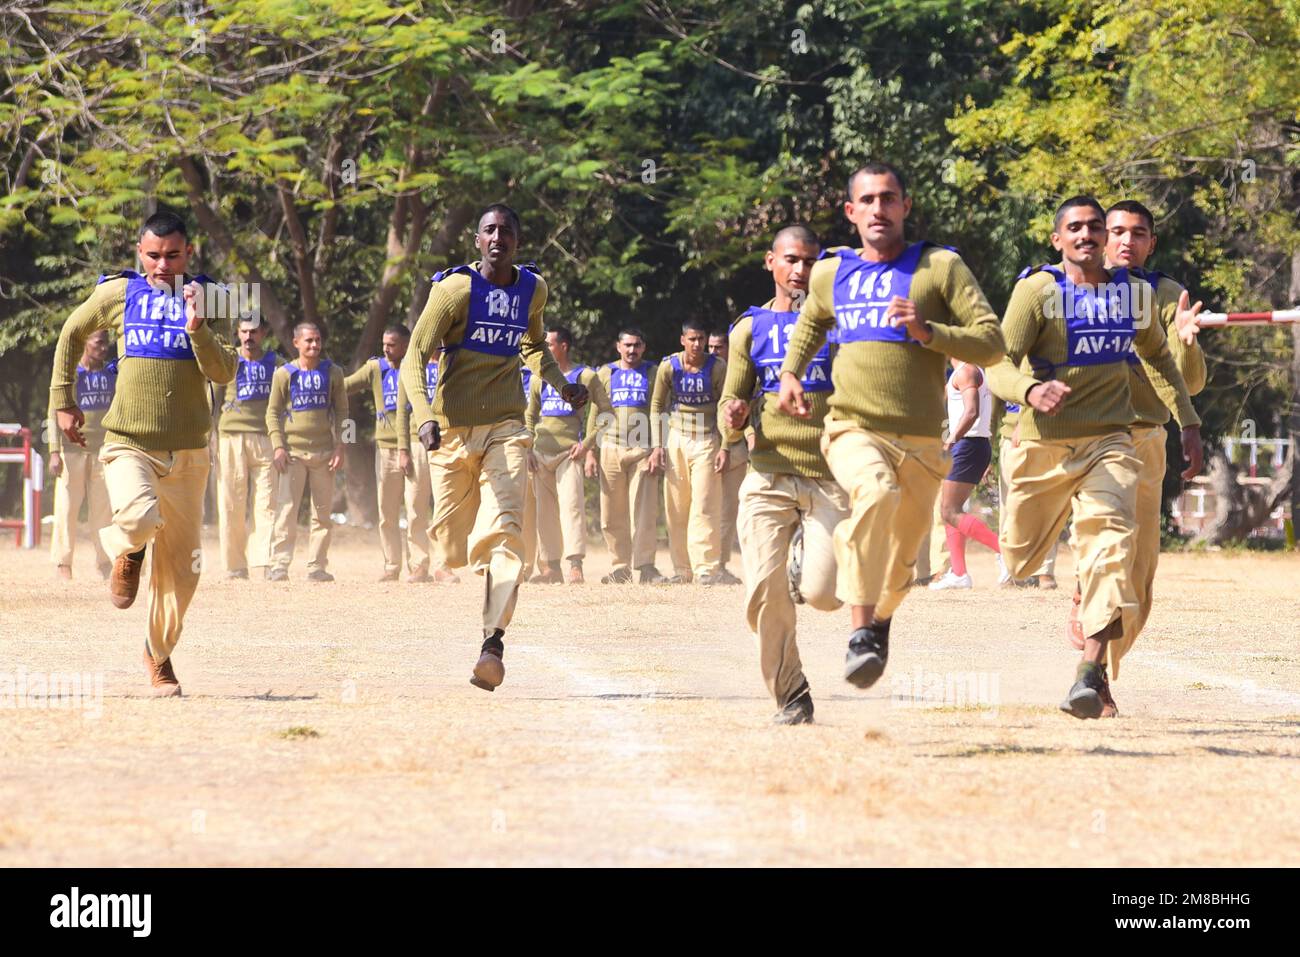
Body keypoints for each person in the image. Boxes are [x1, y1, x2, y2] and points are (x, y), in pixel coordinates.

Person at [778, 161, 1005, 691]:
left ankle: (880, 625)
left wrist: (929, 332)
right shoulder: (831, 272)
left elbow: (991, 342)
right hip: (853, 427)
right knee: (874, 494)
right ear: (851, 212)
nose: (878, 209)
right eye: (868, 200)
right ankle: (859, 634)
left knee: (905, 563)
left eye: (889, 198)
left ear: (905, 206)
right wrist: (791, 371)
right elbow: (811, 320)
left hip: (924, 441)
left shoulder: (939, 267)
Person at [987, 195, 1202, 719]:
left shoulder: (1149, 295)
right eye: (1080, 228)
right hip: (1043, 442)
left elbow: (1167, 364)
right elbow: (997, 361)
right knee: (1019, 556)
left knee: (1117, 552)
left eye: (1101, 229)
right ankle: (1080, 592)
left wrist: (1189, 423)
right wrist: (1023, 398)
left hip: (1120, 440)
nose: (1102, 238)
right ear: (1059, 238)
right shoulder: (1037, 290)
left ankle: (1091, 673)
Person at [49, 210, 237, 695]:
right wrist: (63, 401)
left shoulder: (213, 297)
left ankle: (158, 655)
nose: (162, 265)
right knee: (136, 514)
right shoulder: (119, 293)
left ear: (188, 253)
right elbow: (71, 333)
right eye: (153, 255)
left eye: (172, 255)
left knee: (184, 571)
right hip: (129, 442)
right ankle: (128, 551)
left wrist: (198, 328)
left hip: (190, 452)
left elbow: (223, 372)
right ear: (140, 253)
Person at [402, 203, 588, 692]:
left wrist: (561, 385)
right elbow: (413, 358)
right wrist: (424, 418)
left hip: (506, 428)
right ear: (478, 241)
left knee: (506, 535)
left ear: (518, 241)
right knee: (452, 545)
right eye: (489, 230)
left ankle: (492, 643)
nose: (498, 236)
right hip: (451, 433)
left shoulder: (533, 288)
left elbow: (532, 346)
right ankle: (472, 565)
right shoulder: (454, 290)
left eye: (507, 229)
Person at [721, 225, 848, 724]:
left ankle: (804, 566)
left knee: (824, 595)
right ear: (770, 262)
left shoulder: (840, 325)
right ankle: (791, 692)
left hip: (829, 476)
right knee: (764, 591)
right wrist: (731, 417)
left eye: (811, 261)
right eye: (791, 260)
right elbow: (732, 397)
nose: (801, 270)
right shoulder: (748, 329)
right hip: (769, 474)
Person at [1087, 199, 1206, 703]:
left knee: (1138, 577)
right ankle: (1092, 668)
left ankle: (1101, 666)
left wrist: (1184, 342)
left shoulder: (1166, 295)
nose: (1125, 241)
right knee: (1104, 557)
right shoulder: (1072, 288)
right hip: (1088, 439)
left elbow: (1192, 383)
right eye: (1116, 231)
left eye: (1137, 233)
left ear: (1151, 243)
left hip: (1145, 440)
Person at [524, 326, 611, 584]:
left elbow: (607, 414)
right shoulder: (538, 377)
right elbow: (530, 415)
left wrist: (586, 444)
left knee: (572, 508)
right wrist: (528, 447)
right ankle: (550, 567)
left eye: (549, 344)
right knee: (544, 513)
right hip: (540, 454)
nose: (545, 349)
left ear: (563, 347)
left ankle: (575, 565)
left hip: (569, 454)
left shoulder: (585, 376)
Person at [648, 319, 728, 585]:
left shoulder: (716, 367)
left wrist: (725, 444)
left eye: (701, 339)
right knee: (676, 506)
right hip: (677, 439)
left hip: (706, 440)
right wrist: (657, 444)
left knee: (704, 505)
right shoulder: (669, 366)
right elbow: (658, 403)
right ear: (682, 340)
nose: (697, 344)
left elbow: (724, 404)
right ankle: (682, 570)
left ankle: (706, 568)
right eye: (692, 339)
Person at [266, 322, 347, 582]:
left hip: (324, 454)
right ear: (296, 343)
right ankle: (279, 564)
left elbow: (344, 412)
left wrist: (341, 446)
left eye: (317, 340)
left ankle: (317, 567)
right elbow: (272, 412)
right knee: (287, 511)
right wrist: (278, 446)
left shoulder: (333, 373)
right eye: (309, 341)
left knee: (322, 514)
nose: (314, 345)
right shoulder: (284, 374)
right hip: (292, 454)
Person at [589, 328, 667, 584]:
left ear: (643, 347)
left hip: (642, 449)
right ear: (618, 347)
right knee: (612, 512)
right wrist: (590, 450)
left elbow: (660, 409)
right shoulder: (606, 373)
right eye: (627, 345)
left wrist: (659, 447)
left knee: (644, 511)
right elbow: (594, 412)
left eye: (637, 345)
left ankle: (646, 567)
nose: (632, 350)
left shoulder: (653, 372)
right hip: (610, 447)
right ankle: (620, 567)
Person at [345, 325, 412, 581]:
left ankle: (419, 565)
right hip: (385, 447)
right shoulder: (376, 368)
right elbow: (348, 385)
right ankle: (392, 565)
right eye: (384, 343)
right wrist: (326, 379)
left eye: (392, 344)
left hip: (415, 445)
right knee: (387, 511)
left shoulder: (414, 367)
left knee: (416, 511)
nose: (386, 348)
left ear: (405, 346)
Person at [48, 329, 116, 580]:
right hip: (72, 451)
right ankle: (63, 563)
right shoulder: (69, 376)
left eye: (106, 343)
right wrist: (54, 452)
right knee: (67, 509)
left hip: (103, 450)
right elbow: (53, 413)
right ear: (85, 343)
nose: (104, 348)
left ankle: (104, 562)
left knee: (103, 511)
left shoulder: (111, 373)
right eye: (99, 343)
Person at [216, 316, 279, 580]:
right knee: (231, 502)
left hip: (266, 438)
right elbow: (212, 398)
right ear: (237, 333)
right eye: (244, 332)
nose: (249, 337)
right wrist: (208, 436)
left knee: (266, 503)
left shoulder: (277, 364)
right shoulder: (228, 361)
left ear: (263, 332)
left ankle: (263, 564)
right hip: (230, 436)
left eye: (254, 331)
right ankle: (235, 566)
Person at [928, 358, 999, 589]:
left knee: (949, 510)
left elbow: (971, 412)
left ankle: (1005, 552)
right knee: (951, 509)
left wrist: (951, 440)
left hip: (967, 444)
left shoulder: (966, 370)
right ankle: (959, 573)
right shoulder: (970, 369)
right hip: (973, 444)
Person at [395, 354, 459, 584]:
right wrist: (403, 450)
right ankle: (419, 565)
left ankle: (444, 565)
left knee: (445, 505)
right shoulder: (411, 363)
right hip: (416, 442)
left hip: (448, 439)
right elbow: (402, 410)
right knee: (415, 506)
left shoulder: (453, 359)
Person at [708, 331, 747, 586]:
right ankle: (698, 564)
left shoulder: (738, 374)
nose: (712, 352)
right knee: (702, 507)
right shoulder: (703, 371)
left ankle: (719, 564)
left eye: (718, 347)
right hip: (704, 445)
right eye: (709, 347)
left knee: (727, 509)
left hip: (734, 448)